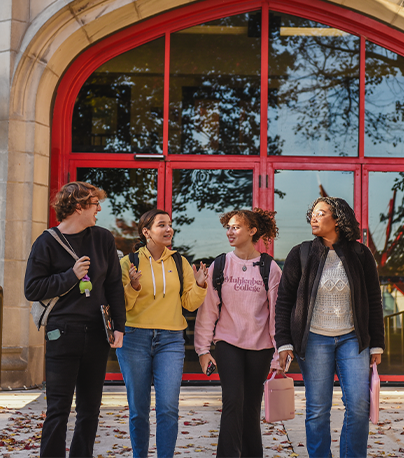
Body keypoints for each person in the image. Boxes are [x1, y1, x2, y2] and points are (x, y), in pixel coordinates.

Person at [275, 197, 385, 458]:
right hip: (314, 340)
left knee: (358, 404)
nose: (313, 218)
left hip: (352, 339)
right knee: (317, 409)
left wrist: (377, 342)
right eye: (312, 214)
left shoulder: (360, 254)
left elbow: (373, 299)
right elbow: (284, 301)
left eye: (321, 213)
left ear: (338, 219)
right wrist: (284, 342)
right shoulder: (300, 253)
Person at [24, 181, 125, 458]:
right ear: (78, 206)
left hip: (96, 333)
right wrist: (71, 276)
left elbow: (114, 285)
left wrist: (119, 327)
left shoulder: (103, 238)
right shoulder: (46, 242)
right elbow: (31, 289)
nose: (99, 209)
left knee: (90, 409)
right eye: (95, 204)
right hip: (61, 332)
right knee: (58, 408)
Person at [116, 209, 208, 458]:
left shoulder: (180, 262)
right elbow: (122, 306)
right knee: (138, 409)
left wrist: (200, 284)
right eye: (161, 225)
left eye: (170, 224)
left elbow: (189, 303)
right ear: (146, 232)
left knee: (168, 408)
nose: (169, 229)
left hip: (171, 340)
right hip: (134, 338)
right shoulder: (128, 262)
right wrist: (133, 286)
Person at [194, 208, 282, 458]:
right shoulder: (220, 264)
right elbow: (208, 311)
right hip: (228, 344)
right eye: (228, 227)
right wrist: (202, 350)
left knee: (251, 407)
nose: (229, 232)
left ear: (253, 231)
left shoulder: (270, 268)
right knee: (233, 401)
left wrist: (278, 353)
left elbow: (277, 315)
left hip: (261, 347)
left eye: (236, 227)